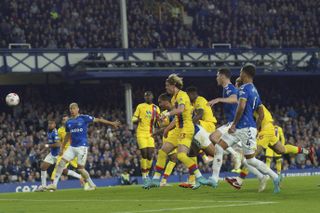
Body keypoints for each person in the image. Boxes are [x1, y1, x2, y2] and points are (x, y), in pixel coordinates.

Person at [210, 64, 281, 193]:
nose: (240, 74)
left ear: (245, 74)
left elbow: (241, 107)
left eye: (241, 72)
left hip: (243, 128)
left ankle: (274, 177)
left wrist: (234, 124)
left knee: (251, 160)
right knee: (219, 146)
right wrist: (256, 128)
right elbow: (261, 113)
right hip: (245, 128)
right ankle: (214, 179)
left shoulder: (244, 88)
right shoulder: (254, 90)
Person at [144, 74, 209, 189]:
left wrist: (167, 113)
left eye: (167, 85)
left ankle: (200, 177)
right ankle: (155, 180)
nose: (166, 88)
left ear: (173, 85)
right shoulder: (174, 97)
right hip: (178, 128)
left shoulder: (182, 95)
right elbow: (177, 116)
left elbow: (181, 109)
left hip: (186, 128)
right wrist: (167, 128)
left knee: (181, 155)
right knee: (163, 152)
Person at [46, 103, 120, 191]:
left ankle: (92, 184)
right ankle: (54, 185)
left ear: (78, 109)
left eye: (74, 108)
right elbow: (67, 136)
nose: (72, 110)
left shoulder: (84, 118)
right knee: (61, 163)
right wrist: (62, 148)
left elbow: (98, 120)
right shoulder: (68, 122)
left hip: (82, 147)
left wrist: (111, 123)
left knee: (80, 169)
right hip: (72, 147)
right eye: (71, 109)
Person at [36, 119, 83, 192]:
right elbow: (49, 143)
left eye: (51, 124)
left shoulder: (55, 133)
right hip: (52, 154)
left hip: (59, 154)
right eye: (49, 124)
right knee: (43, 167)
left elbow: (58, 144)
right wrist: (42, 151)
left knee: (63, 171)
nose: (50, 125)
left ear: (55, 125)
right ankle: (44, 186)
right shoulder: (49, 132)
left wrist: (47, 146)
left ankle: (79, 176)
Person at [132, 91, 160, 184]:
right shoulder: (140, 106)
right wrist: (137, 120)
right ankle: (144, 175)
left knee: (150, 154)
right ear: (144, 98)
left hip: (151, 134)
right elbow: (133, 119)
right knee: (144, 153)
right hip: (141, 133)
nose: (148, 97)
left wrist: (161, 122)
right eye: (146, 96)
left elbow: (158, 122)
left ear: (152, 97)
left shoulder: (156, 108)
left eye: (149, 96)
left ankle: (147, 173)